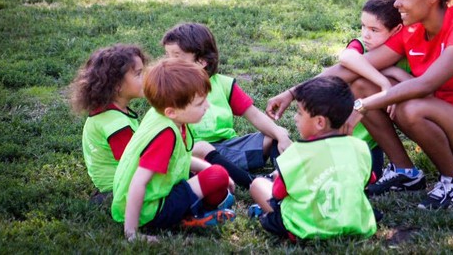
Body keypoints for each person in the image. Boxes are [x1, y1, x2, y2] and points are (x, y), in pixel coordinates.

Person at [267, 0, 453, 211]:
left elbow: (426, 84)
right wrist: (293, 92)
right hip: (439, 118)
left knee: (411, 108)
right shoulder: (412, 31)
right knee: (360, 83)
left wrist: (364, 105)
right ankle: (405, 173)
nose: (396, 3)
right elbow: (350, 68)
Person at [111, 59, 236, 242]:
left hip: (159, 194)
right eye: (200, 103)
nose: (207, 106)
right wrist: (132, 232)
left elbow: (180, 158)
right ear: (171, 112)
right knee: (216, 176)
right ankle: (190, 217)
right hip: (151, 209)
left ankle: (192, 212)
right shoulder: (165, 135)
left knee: (216, 174)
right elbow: (138, 182)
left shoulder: (165, 115)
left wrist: (206, 169)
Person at [161, 23, 292, 189]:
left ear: (202, 61)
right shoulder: (169, 89)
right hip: (194, 155)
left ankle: (284, 178)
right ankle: (252, 183)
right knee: (202, 147)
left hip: (230, 149)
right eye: (167, 55)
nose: (168, 62)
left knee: (276, 134)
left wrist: (280, 135)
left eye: (176, 56)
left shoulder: (224, 84)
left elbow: (254, 115)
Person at [249, 76, 377, 240]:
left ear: (319, 122)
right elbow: (368, 179)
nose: (295, 118)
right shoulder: (360, 147)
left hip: (305, 228)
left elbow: (278, 193)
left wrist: (280, 177)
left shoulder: (297, 153)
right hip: (354, 223)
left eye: (300, 113)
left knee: (258, 185)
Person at [338, 0, 412, 179]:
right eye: (363, 26)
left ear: (396, 30)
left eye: (374, 30)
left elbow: (418, 86)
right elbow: (346, 57)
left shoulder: (406, 55)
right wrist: (382, 80)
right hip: (338, 141)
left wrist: (394, 71)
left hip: (370, 148)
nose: (366, 35)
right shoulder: (360, 47)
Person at [70, 44, 148, 201]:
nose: (145, 78)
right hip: (119, 190)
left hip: (119, 184)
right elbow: (135, 163)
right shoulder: (116, 125)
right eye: (138, 74)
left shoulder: (111, 113)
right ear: (117, 85)